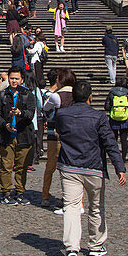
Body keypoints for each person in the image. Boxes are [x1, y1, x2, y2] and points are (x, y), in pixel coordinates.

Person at [55, 80, 127, 256]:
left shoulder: (62, 114)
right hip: (93, 166)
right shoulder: (99, 117)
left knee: (71, 207)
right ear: (90, 97)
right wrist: (119, 167)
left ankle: (72, 247)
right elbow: (110, 143)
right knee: (96, 206)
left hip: (69, 166)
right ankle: (96, 244)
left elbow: (59, 132)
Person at [0, 67, 36, 205]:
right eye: (12, 78)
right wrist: (4, 124)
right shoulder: (1, 94)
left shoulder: (28, 95)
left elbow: (31, 113)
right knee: (6, 165)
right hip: (6, 135)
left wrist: (20, 113)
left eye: (17, 78)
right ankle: (6, 192)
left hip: (23, 134)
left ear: (22, 79)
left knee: (22, 166)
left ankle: (20, 191)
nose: (14, 81)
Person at [41, 68, 75, 209]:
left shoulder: (56, 96)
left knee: (51, 166)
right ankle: (70, 197)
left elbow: (45, 107)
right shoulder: (77, 94)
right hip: (73, 135)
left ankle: (45, 195)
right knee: (70, 168)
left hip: (55, 134)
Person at [104, 76, 128, 160]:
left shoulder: (112, 93)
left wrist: (114, 109)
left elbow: (106, 106)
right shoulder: (127, 94)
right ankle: (123, 158)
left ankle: (114, 157)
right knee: (124, 140)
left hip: (114, 118)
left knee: (114, 139)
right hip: (125, 119)